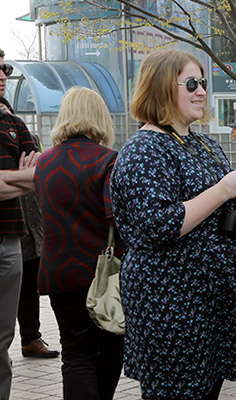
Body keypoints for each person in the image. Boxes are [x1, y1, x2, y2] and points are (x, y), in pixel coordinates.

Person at [111, 49, 236, 399]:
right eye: (191, 83)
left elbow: (215, 209)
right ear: (161, 87)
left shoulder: (203, 143)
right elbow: (159, 225)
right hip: (173, 302)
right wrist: (224, 187)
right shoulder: (144, 150)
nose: (201, 92)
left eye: (204, 83)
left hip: (208, 300)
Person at [34, 87, 125, 399]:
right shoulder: (109, 160)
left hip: (58, 273)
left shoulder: (44, 163)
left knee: (75, 355)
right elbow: (118, 221)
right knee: (110, 350)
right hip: (102, 276)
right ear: (100, 116)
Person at [0, 48, 41, 399]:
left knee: (2, 338)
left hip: (11, 239)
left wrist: (9, 179)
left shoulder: (13, 122)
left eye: (4, 69)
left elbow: (37, 175)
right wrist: (21, 176)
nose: (2, 75)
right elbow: (25, 176)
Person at [17, 130, 59, 360]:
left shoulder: (28, 136)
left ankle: (31, 338)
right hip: (10, 226)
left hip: (34, 226)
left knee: (30, 287)